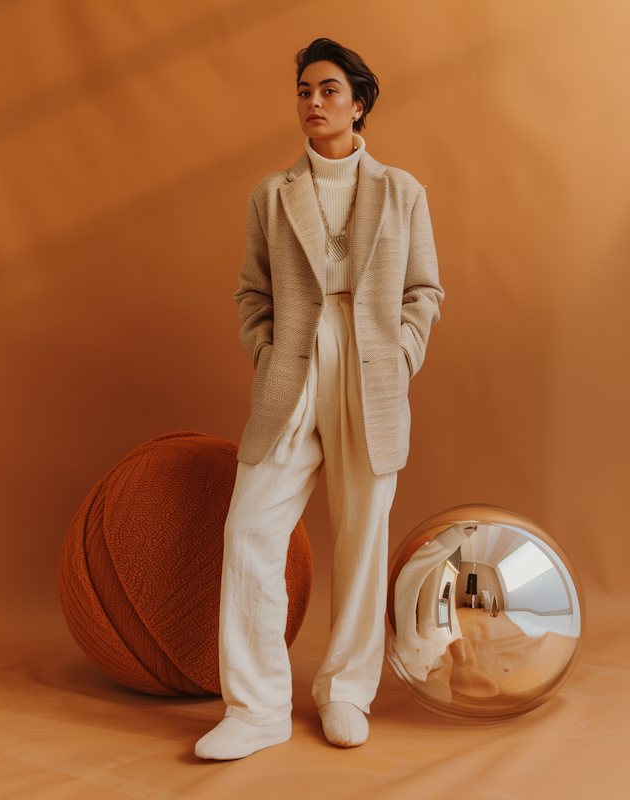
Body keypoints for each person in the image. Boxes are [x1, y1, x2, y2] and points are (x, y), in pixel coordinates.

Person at [195, 37, 444, 760]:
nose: (313, 102)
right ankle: (257, 708)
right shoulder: (272, 195)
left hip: (372, 373)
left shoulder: (401, 191)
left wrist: (399, 357)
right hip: (293, 372)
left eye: (329, 90)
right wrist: (269, 355)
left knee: (362, 539)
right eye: (304, 91)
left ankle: (345, 691)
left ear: (358, 104)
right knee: (249, 530)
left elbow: (424, 291)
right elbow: (252, 295)